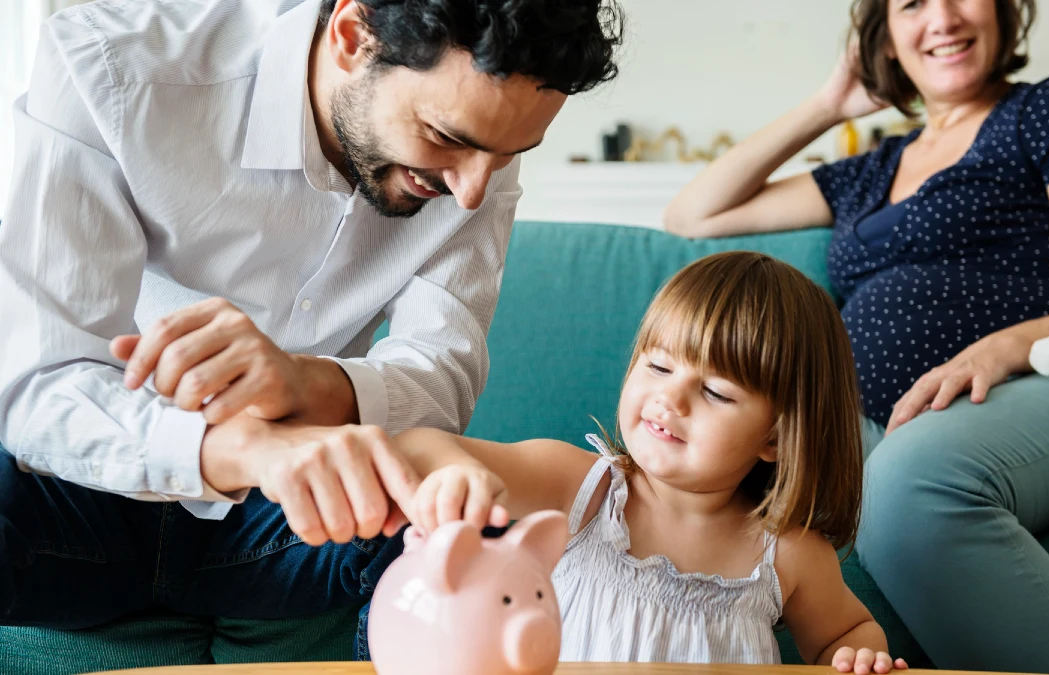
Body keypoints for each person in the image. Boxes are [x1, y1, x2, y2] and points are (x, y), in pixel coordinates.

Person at [0, 0, 621, 658]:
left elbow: (440, 381)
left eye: (507, 156)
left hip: (290, 522)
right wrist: (251, 449)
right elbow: (37, 384)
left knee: (456, 535)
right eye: (446, 138)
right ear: (354, 36)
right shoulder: (111, 67)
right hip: (84, 501)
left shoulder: (481, 141)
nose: (471, 192)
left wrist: (304, 381)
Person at [661, 1, 1049, 673]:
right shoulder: (871, 169)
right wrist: (830, 102)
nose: (942, 17)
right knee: (760, 462)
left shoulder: (1046, 111)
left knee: (911, 484)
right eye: (912, 4)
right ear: (884, 38)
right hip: (905, 419)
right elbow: (692, 213)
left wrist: (1001, 350)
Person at [389, 252, 906, 673]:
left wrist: (859, 656)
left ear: (775, 437)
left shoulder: (787, 552)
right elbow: (422, 448)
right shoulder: (580, 489)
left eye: (716, 393)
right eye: (658, 365)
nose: (670, 398)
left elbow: (846, 633)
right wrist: (458, 474)